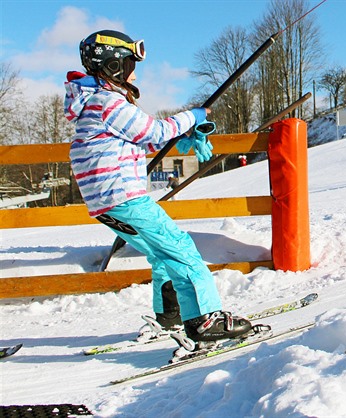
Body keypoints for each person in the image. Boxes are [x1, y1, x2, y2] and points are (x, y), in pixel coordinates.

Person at [64, 30, 252, 345]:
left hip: (105, 203)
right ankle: (204, 319)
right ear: (113, 66)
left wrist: (185, 137)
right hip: (124, 197)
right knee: (181, 249)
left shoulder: (94, 105)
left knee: (162, 254)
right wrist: (193, 117)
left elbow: (143, 139)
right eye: (130, 64)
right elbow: (154, 129)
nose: (134, 73)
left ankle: (170, 315)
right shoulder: (107, 102)